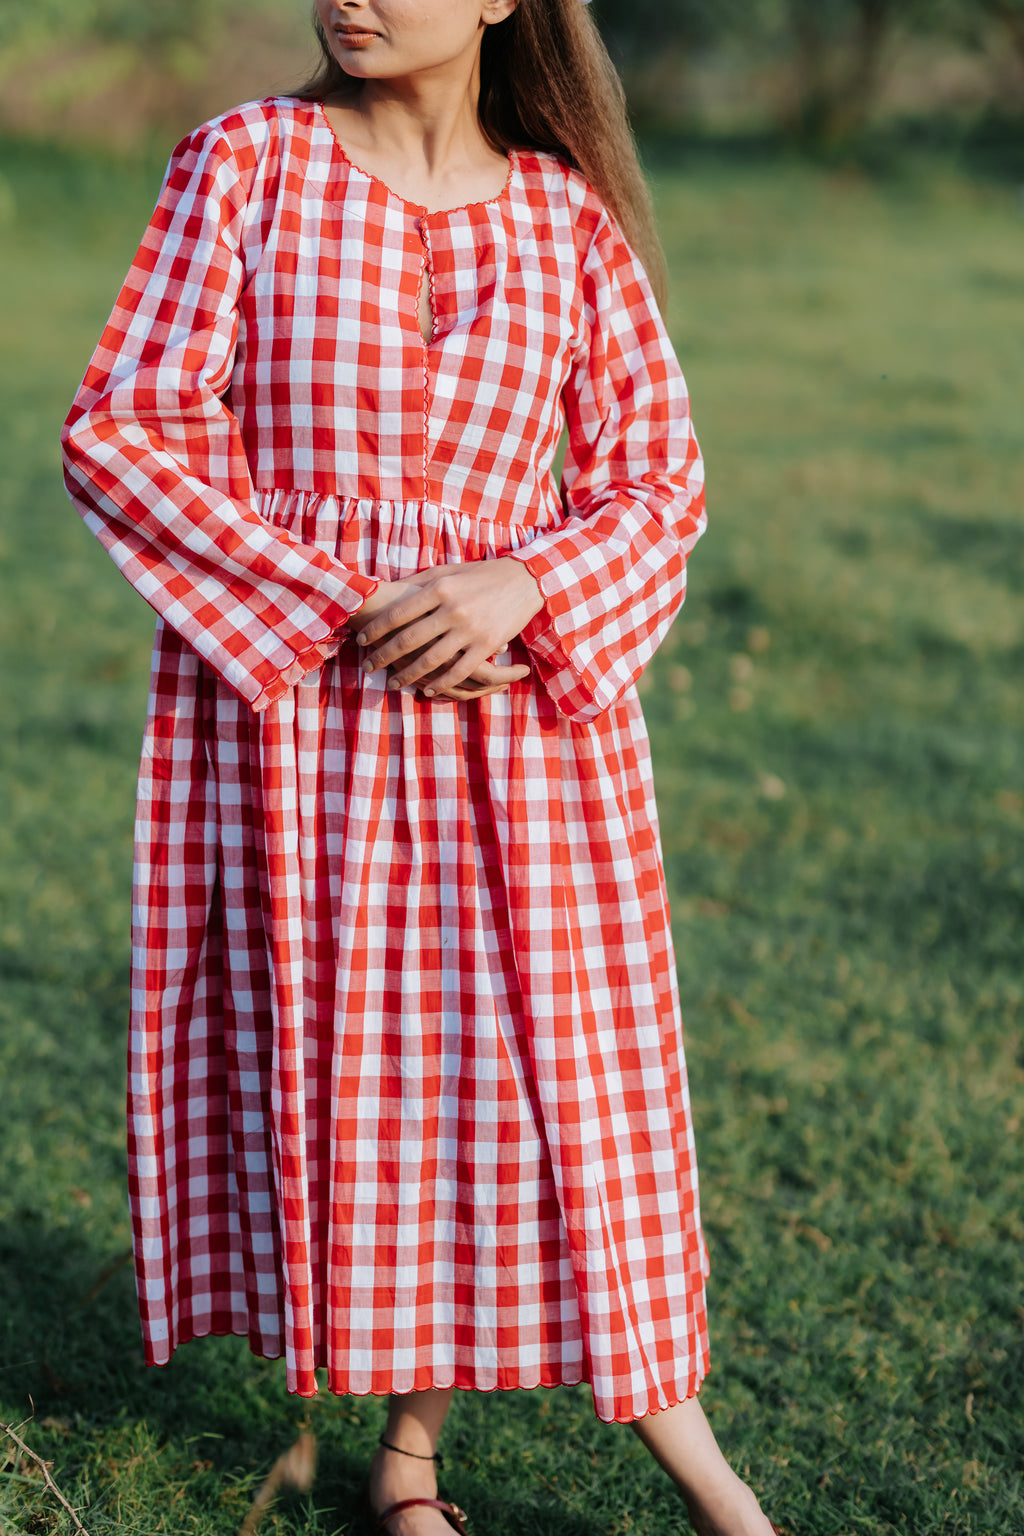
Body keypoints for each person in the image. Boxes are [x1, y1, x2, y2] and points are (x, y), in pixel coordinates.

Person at [61, 0, 782, 1532]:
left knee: (547, 1087)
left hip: (520, 741)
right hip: (300, 728)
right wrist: (341, 606)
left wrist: (525, 585)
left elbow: (658, 480)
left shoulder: (568, 219)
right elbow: (127, 429)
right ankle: (406, 1466)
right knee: (371, 1088)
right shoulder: (244, 165)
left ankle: (701, 1480)